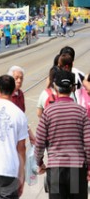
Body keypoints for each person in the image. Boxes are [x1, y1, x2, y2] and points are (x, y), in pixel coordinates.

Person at [34, 69, 90, 197]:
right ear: (72, 89)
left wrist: (40, 162)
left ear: (55, 87)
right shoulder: (81, 112)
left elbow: (40, 142)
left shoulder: (48, 112)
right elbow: (88, 142)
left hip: (55, 170)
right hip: (77, 168)